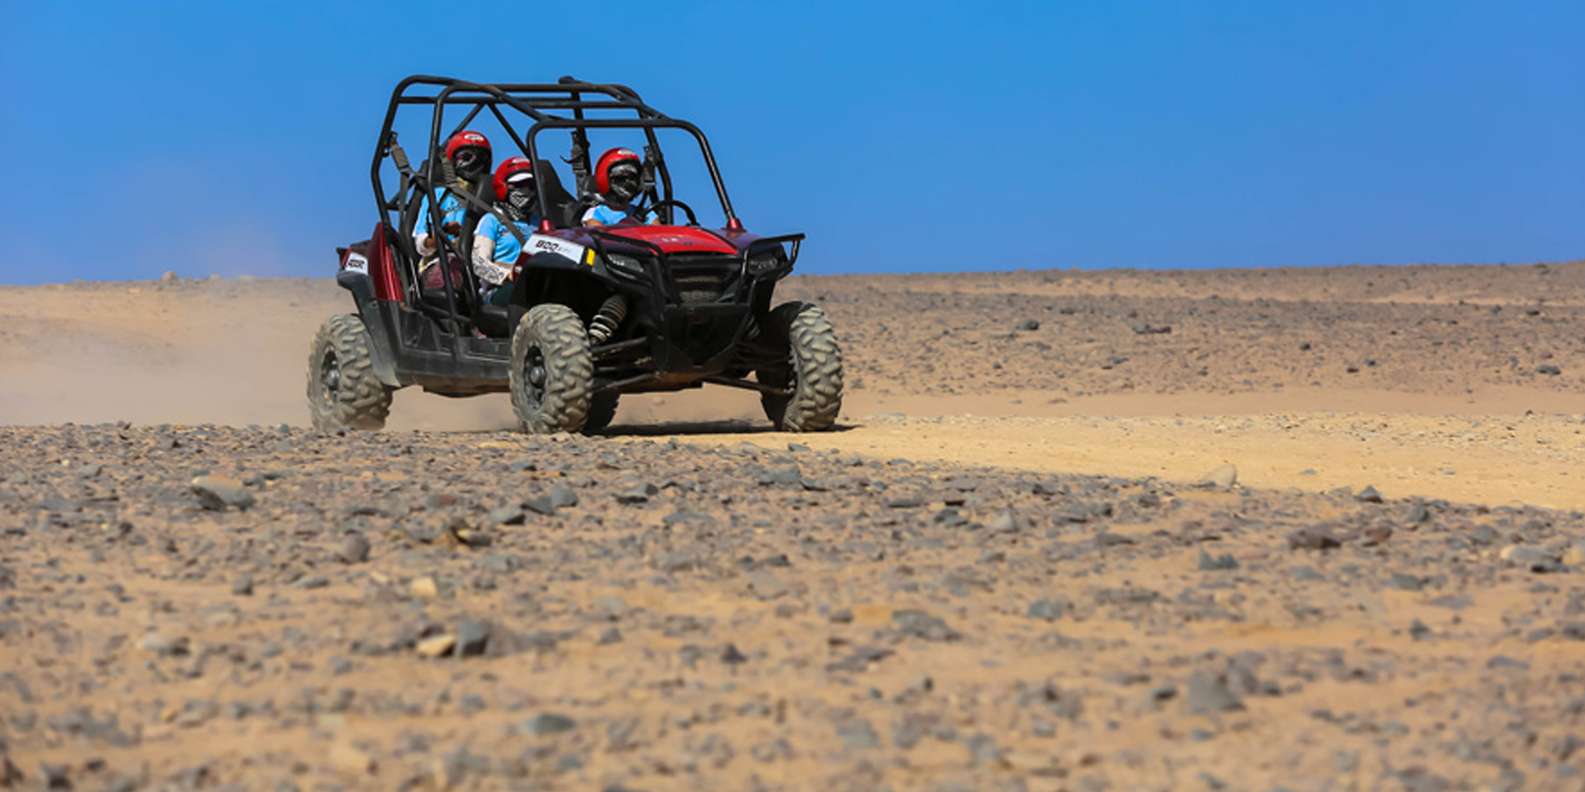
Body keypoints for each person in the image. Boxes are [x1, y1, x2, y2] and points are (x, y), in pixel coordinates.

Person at [471, 157, 541, 306]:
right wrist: (509, 274)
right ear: (504, 187)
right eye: (519, 185)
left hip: (537, 285)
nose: (526, 190)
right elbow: (479, 264)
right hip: (500, 290)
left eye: (530, 185)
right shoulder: (491, 220)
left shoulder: (540, 222)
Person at [414, 130, 492, 255]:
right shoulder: (437, 196)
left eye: (480, 159)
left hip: (480, 263)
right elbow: (421, 246)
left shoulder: (492, 199)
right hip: (443, 261)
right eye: (466, 157)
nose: (473, 164)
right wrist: (442, 234)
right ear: (453, 161)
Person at [581, 147, 648, 227]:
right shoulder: (596, 214)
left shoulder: (645, 214)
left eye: (632, 177)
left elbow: (660, 234)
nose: (628, 182)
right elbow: (599, 234)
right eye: (621, 178)